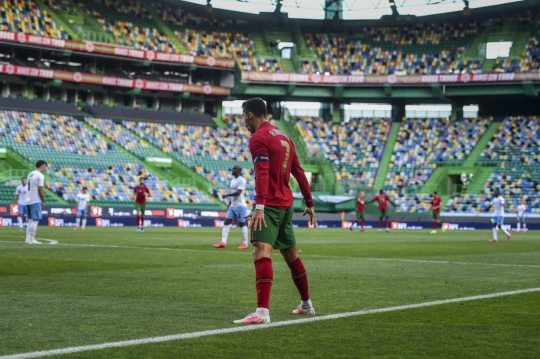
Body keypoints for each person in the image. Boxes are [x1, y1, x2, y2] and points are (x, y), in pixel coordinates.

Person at [233, 97, 317, 325]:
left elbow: (261, 172)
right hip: (286, 205)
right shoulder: (285, 138)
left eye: (243, 117)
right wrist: (309, 202)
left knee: (260, 252)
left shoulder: (258, 138)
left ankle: (261, 313)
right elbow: (299, 173)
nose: (244, 123)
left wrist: (259, 205)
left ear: (250, 115)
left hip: (269, 204)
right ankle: (307, 304)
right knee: (292, 256)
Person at [213, 165, 249, 249]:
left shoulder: (242, 180)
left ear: (239, 170)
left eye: (234, 169)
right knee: (226, 222)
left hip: (240, 205)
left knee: (242, 223)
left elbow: (238, 192)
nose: (232, 170)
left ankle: (245, 243)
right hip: (233, 205)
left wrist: (227, 195)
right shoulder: (233, 180)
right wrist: (230, 203)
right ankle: (223, 242)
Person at [26, 160, 47, 244]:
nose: (45, 169)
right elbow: (40, 189)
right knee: (35, 220)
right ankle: (32, 239)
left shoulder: (30, 174)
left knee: (30, 220)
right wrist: (43, 201)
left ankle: (27, 239)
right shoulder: (40, 175)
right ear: (42, 166)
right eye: (45, 167)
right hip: (35, 200)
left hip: (28, 199)